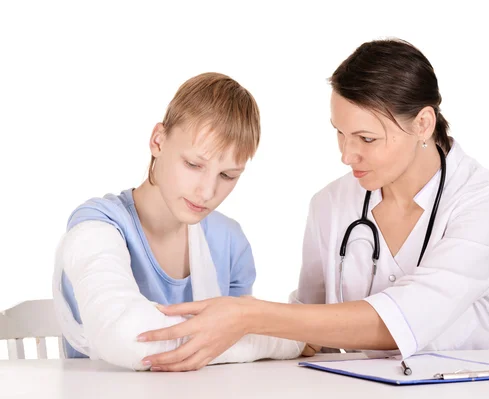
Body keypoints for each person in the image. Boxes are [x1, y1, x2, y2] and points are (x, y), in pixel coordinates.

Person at [136, 38, 489, 372]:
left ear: (423, 124)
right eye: (340, 133)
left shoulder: (486, 204)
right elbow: (309, 331)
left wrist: (247, 315)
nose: (347, 155)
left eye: (366, 139)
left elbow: (401, 322)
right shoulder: (331, 204)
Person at [52, 72, 304, 370]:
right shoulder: (96, 226)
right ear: (158, 141)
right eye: (194, 164)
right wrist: (291, 340)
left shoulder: (230, 242)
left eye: (227, 176)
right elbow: (128, 338)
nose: (208, 192)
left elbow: (235, 352)